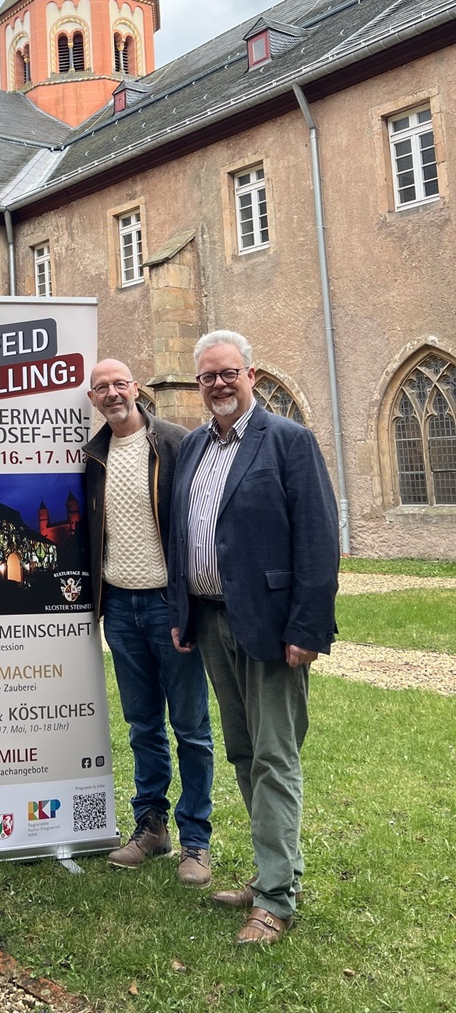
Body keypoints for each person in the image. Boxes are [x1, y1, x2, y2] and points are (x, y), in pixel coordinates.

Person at [168, 330, 339, 944]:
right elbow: (181, 535)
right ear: (198, 384)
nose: (218, 383)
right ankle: (277, 871)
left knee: (275, 754)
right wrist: (184, 614)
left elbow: (318, 539)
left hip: (271, 627)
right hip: (212, 620)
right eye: (207, 376)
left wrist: (309, 627)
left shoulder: (288, 441)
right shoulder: (192, 448)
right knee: (242, 750)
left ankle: (274, 899)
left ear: (251, 374)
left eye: (228, 372)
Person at [84, 359, 214, 886]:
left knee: (191, 727)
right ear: (93, 399)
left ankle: (197, 840)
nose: (113, 393)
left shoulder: (177, 443)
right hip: (120, 605)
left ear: (135, 388)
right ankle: (151, 825)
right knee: (142, 725)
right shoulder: (94, 456)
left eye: (120, 384)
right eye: (102, 388)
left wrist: (188, 603)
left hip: (168, 603)